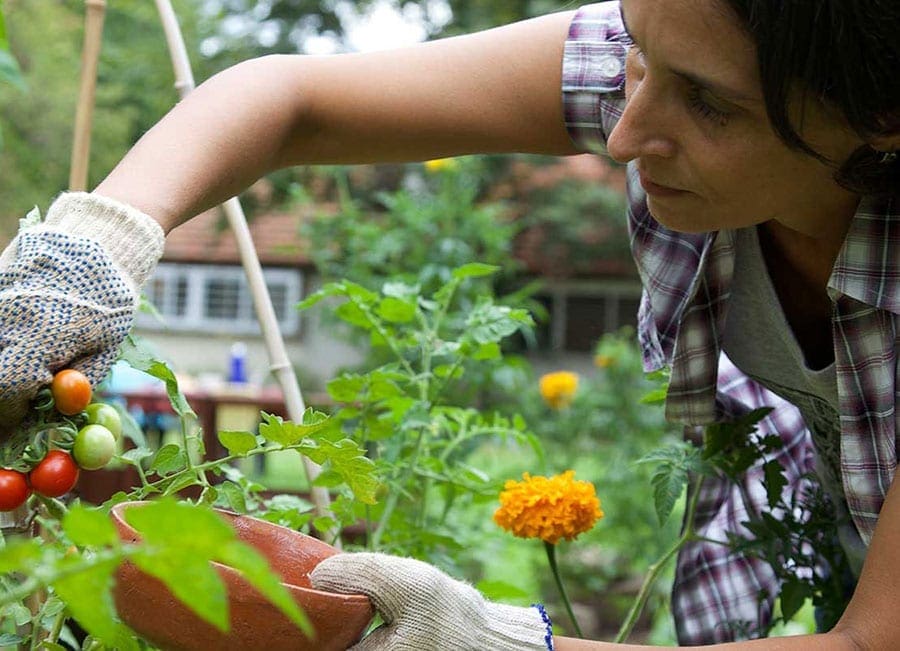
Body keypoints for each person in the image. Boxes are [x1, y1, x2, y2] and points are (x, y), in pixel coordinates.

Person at [1, 0, 898, 647]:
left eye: (707, 104)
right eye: (635, 47)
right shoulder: (693, 38)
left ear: (881, 117)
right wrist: (92, 248)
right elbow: (290, 100)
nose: (624, 135)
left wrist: (486, 639)